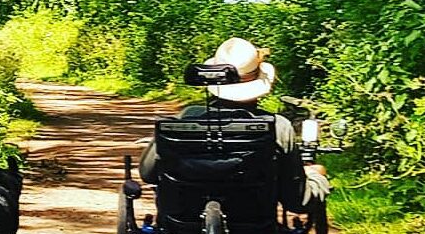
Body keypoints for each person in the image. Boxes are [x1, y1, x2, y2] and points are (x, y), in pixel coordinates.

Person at [138, 37, 330, 210]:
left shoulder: (186, 118)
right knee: (316, 172)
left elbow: (148, 173)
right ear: (259, 80)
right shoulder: (278, 126)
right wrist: (316, 177)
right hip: (255, 221)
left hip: (184, 218)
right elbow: (296, 200)